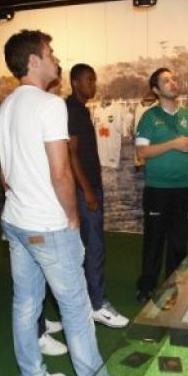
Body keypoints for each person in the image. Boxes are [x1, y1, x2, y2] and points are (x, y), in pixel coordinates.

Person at [0, 30, 115, 376]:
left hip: (15, 220)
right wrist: (72, 217)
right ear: (33, 61)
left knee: (25, 304)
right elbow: (61, 173)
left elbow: (4, 176)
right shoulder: (49, 105)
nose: (55, 58)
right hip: (48, 224)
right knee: (76, 309)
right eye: (50, 52)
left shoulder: (4, 108)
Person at [66, 63, 128, 328]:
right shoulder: (71, 111)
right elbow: (71, 154)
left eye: (94, 80)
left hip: (88, 188)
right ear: (75, 82)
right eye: (88, 80)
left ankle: (85, 302)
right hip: (84, 191)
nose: (94, 85)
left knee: (87, 247)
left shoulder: (80, 110)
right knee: (94, 247)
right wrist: (88, 190)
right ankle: (97, 304)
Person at [134, 68, 188, 302]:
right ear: (156, 89)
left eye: (174, 78)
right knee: (154, 239)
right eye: (166, 80)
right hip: (157, 190)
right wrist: (172, 144)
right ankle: (147, 285)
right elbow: (142, 152)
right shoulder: (149, 118)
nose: (173, 82)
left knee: (179, 240)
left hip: (183, 189)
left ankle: (173, 284)